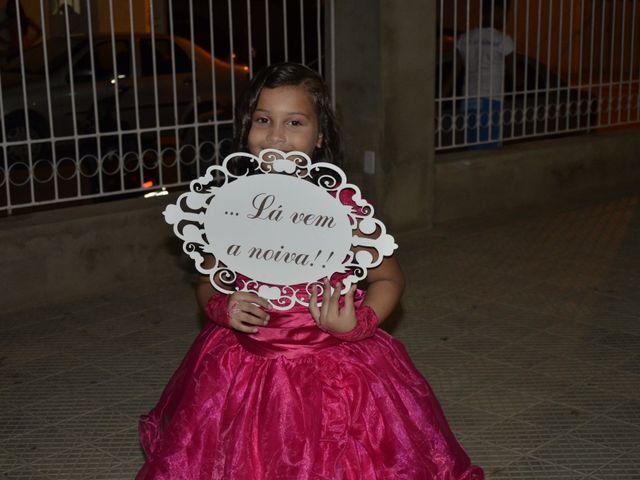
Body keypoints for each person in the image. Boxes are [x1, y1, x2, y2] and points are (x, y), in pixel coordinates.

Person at [136, 62, 484, 479]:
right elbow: (209, 281)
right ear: (247, 128)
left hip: (334, 364)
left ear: (319, 136)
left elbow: (389, 278)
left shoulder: (340, 210)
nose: (277, 136)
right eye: (263, 120)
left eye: (295, 122)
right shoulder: (230, 207)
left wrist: (362, 321)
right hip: (244, 363)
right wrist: (220, 307)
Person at [450, 0, 514, 149]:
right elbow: (516, 77)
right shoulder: (503, 40)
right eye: (504, 15)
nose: (504, 19)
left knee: (472, 146)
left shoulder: (465, 38)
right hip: (491, 101)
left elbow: (453, 73)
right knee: (489, 150)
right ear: (496, 11)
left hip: (468, 100)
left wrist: (440, 97)